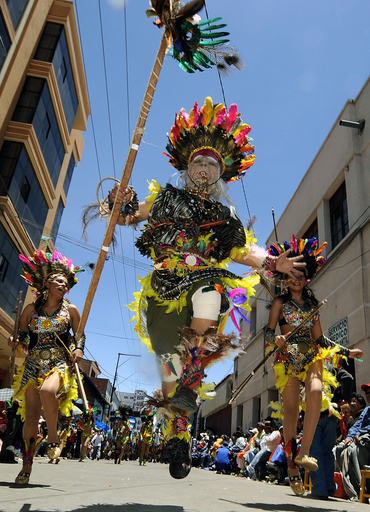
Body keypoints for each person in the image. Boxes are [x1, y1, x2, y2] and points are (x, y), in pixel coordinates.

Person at [105, 97, 307, 478]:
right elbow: (129, 216)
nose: (203, 167)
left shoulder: (226, 215)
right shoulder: (166, 198)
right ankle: (179, 434)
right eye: (198, 161)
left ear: (221, 173)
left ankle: (192, 369)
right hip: (164, 285)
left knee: (213, 291)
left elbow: (242, 250)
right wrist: (119, 202)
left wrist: (271, 262)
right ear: (187, 167)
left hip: (204, 278)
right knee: (170, 363)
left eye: (211, 163)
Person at [265, 235, 363, 496]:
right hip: (287, 356)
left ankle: (305, 453)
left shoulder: (313, 307)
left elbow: (320, 339)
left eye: (301, 275)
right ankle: (292, 465)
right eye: (292, 275)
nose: (296, 279)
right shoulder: (280, 303)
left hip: (312, 355)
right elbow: (267, 332)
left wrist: (347, 350)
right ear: (285, 279)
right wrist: (275, 339)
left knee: (317, 392)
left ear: (306, 278)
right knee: (290, 411)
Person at [8, 249, 85, 485]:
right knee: (30, 417)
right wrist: (15, 340)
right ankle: (27, 467)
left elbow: (79, 336)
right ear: (47, 284)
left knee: (48, 392)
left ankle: (52, 436)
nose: (64, 285)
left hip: (59, 362)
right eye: (59, 281)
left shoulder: (70, 310)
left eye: (66, 283)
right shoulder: (31, 310)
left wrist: (78, 349)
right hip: (32, 364)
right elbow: (22, 335)